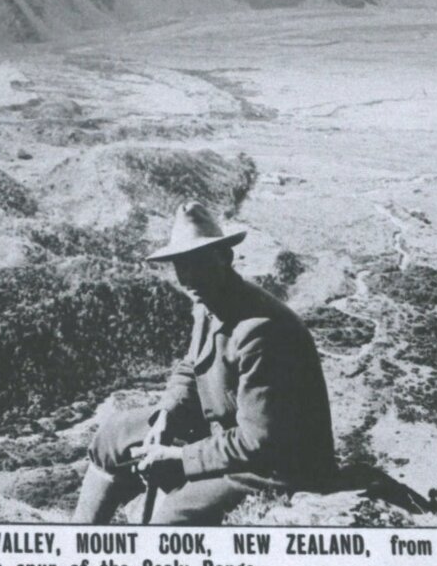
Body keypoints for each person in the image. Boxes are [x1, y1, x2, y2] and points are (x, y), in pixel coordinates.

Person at [73, 201, 340, 525]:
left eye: (198, 262)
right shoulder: (208, 302)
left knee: (169, 521)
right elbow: (192, 365)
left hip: (274, 466)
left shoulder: (261, 330)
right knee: (113, 435)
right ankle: (80, 539)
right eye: (181, 265)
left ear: (225, 257)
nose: (189, 277)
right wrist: (167, 414)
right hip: (230, 435)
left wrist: (180, 457)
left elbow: (259, 440)